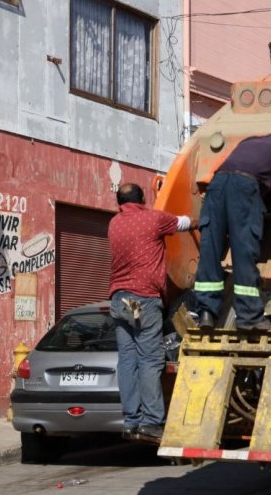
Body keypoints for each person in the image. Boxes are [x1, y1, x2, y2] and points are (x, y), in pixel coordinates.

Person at [194, 135, 271, 331]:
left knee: (210, 250)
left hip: (216, 185)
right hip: (244, 189)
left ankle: (206, 314)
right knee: (244, 252)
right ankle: (249, 318)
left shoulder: (245, 142)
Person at [108, 183, 193, 440]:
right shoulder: (153, 219)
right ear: (143, 199)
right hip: (144, 299)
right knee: (149, 360)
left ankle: (131, 421)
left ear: (118, 202)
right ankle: (152, 421)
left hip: (120, 300)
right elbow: (184, 223)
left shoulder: (114, 224)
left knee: (127, 360)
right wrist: (206, 219)